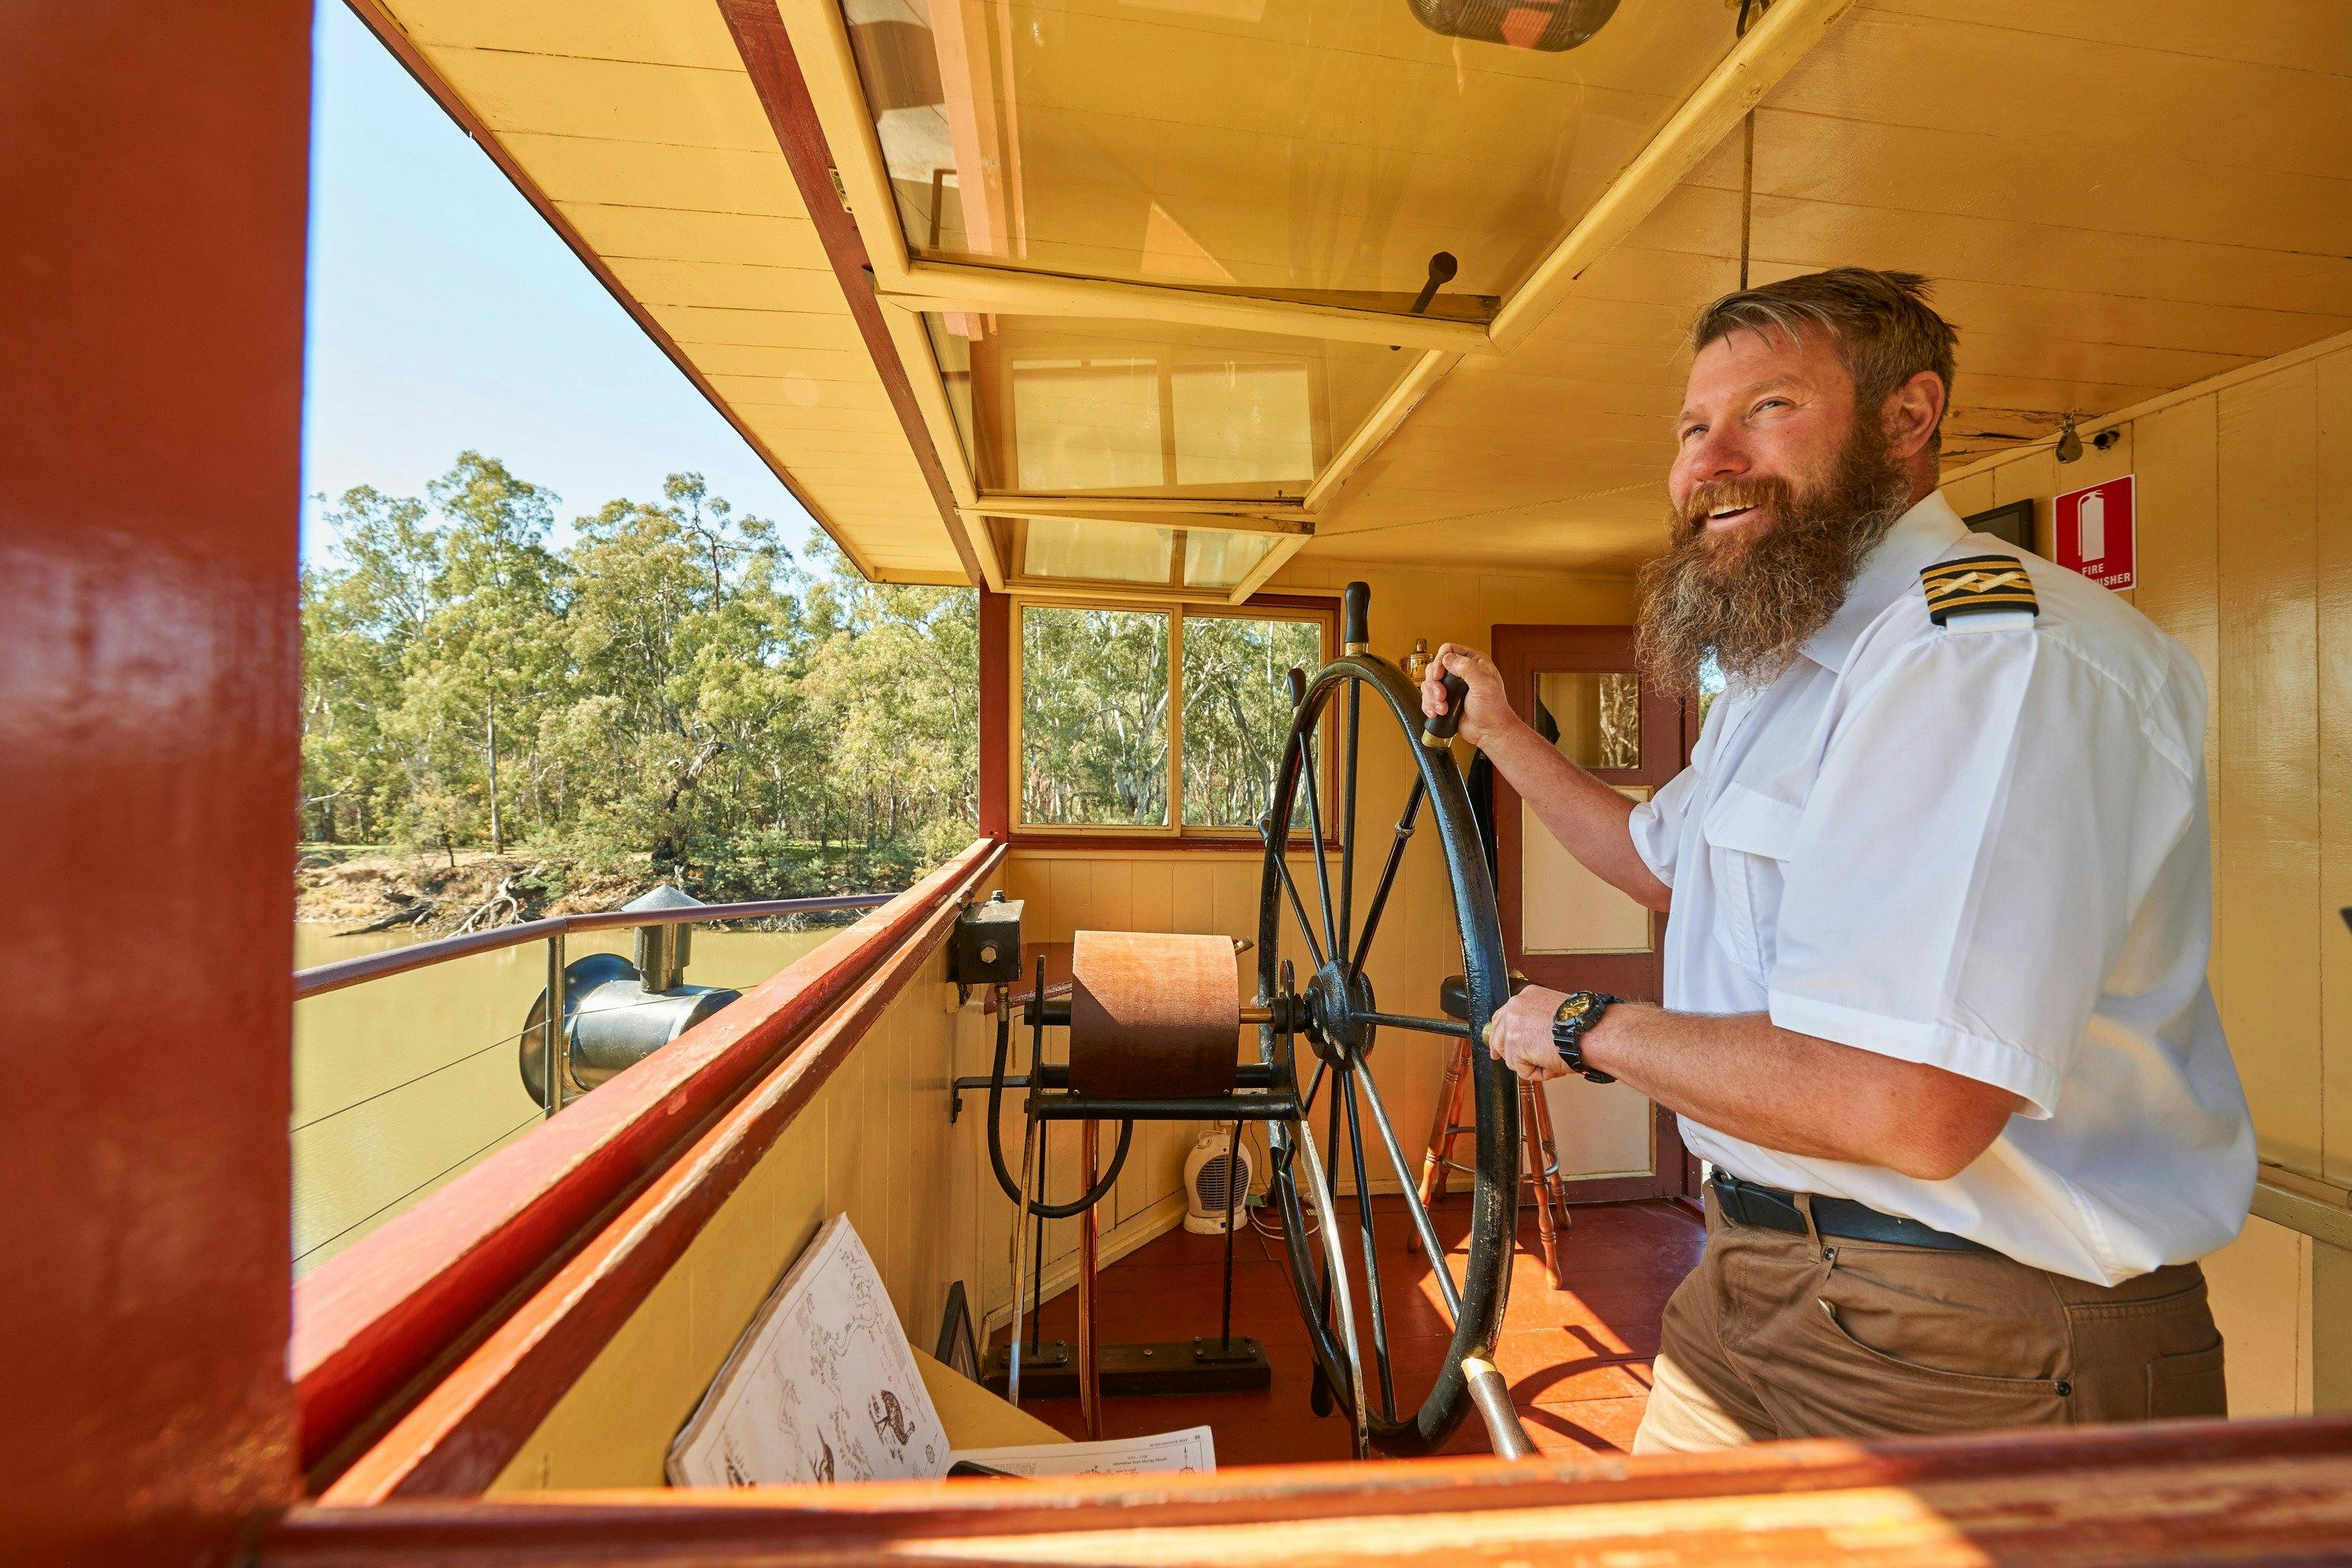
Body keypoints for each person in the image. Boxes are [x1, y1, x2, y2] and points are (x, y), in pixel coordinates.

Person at [1421, 267, 2254, 1451]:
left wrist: (1583, 1028)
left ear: (1908, 420)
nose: (1710, 458)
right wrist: (1502, 731)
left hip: (1972, 1337)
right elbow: (1663, 864)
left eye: (1767, 409)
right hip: (1749, 1278)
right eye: (1693, 427)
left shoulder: (1987, 657)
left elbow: (1911, 1101)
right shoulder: (1786, 671)